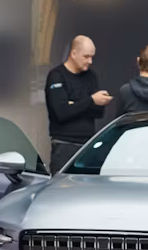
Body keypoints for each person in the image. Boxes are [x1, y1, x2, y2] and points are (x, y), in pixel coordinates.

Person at [45, 35, 111, 172]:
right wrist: (90, 100)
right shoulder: (56, 75)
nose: (90, 61)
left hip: (87, 145)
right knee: (61, 188)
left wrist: (74, 103)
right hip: (64, 144)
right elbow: (61, 113)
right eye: (86, 56)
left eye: (92, 57)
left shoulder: (91, 76)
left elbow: (99, 112)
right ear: (73, 53)